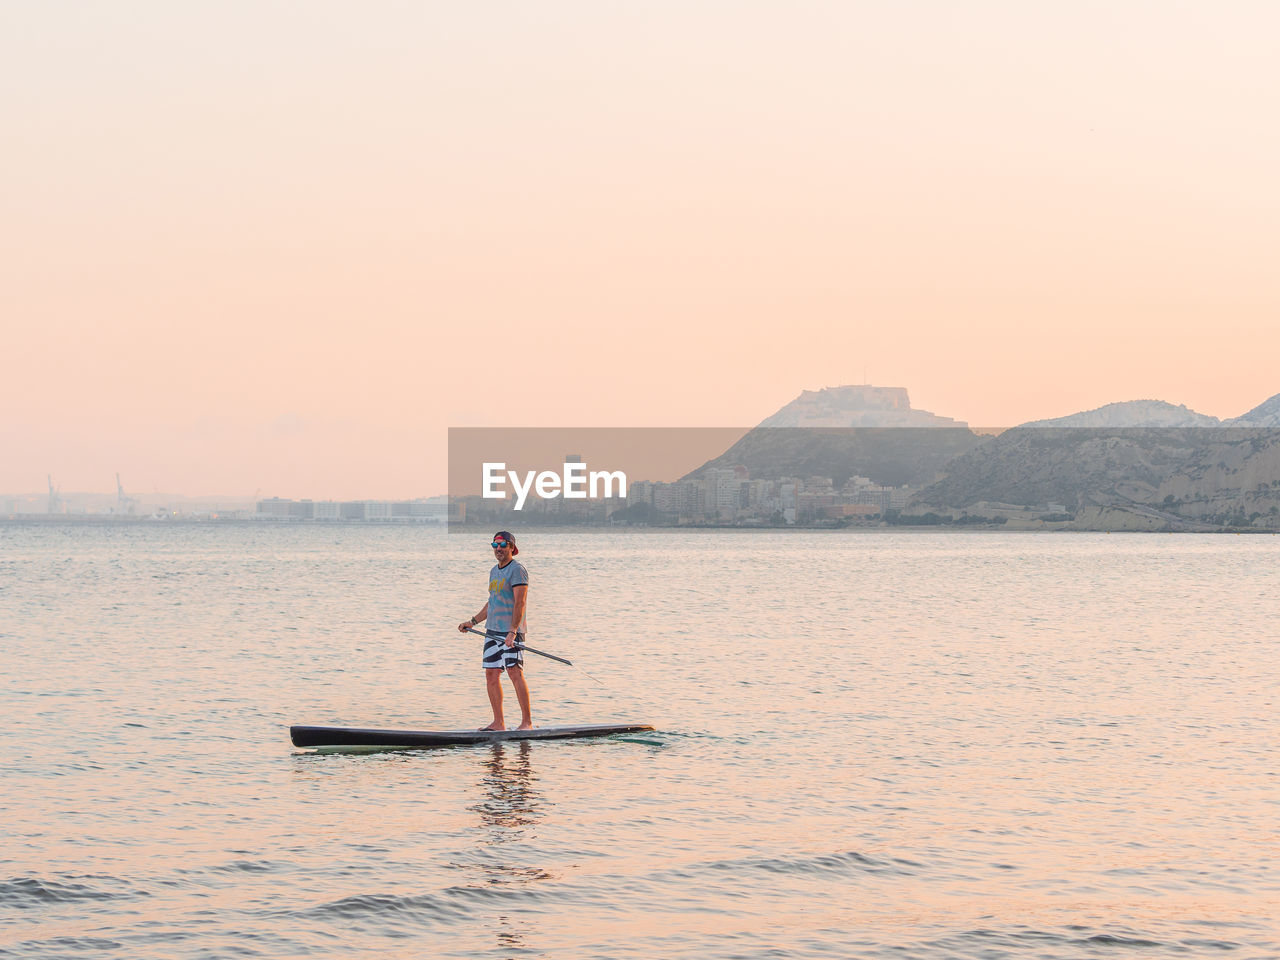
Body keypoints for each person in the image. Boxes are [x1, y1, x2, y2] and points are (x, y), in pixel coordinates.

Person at [457, 530, 532, 731]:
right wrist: (472, 621)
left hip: (510, 632)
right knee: (491, 674)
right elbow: (492, 602)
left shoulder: (517, 570)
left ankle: (527, 723)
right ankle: (498, 723)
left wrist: (513, 631)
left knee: (514, 672)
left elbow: (520, 602)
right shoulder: (494, 571)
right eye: (495, 545)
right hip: (492, 632)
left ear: (511, 548)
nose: (498, 549)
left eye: (502, 545)